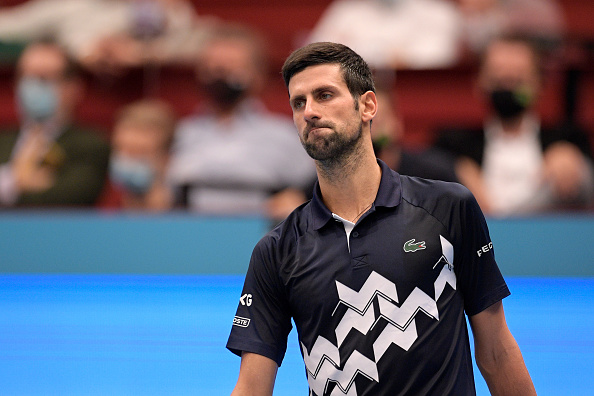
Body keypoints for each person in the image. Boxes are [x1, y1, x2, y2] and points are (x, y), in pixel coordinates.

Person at [227, 42, 536, 395]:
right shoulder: (276, 249)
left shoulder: (449, 207)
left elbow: (496, 351)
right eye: (299, 102)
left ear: (368, 106)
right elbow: (252, 387)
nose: (309, 111)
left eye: (324, 95)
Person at [166, 23, 316, 218]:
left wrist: (299, 199)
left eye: (230, 67)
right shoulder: (181, 134)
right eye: (212, 67)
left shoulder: (287, 135)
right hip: (189, 235)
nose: (219, 74)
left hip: (267, 238)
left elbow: (318, 190)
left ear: (257, 75)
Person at [436, 35, 594, 216]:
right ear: (479, 82)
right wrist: (456, 171)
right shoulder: (453, 145)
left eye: (518, 78)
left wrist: (576, 162)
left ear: (539, 83)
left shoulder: (567, 139)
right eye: (498, 77)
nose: (508, 87)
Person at [0, 40, 110, 207]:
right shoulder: (3, 140)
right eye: (27, 77)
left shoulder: (91, 145)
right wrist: (15, 182)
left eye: (45, 78)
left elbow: (66, 201)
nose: (34, 86)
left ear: (74, 87)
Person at [0, 0, 212, 76]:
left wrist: (143, 53)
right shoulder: (64, 6)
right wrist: (92, 53)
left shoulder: (166, 11)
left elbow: (198, 39)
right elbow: (11, 26)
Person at [307, 0, 462, 70]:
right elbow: (316, 53)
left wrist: (361, 50)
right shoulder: (345, 10)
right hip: (354, 90)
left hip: (420, 94)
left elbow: (438, 56)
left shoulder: (440, 12)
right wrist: (390, 56)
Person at [103, 99, 175, 211]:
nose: (129, 160)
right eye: (125, 150)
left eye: (141, 152)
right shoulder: (108, 184)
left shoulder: (178, 184)